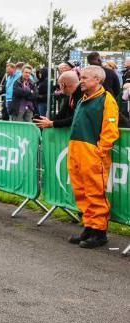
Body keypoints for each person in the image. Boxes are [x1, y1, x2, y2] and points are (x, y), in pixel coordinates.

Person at [66, 65, 118, 249]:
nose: (81, 81)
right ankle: (88, 227)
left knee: (95, 192)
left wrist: (100, 152)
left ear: (97, 79)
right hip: (76, 151)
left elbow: (110, 131)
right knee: (81, 191)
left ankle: (99, 232)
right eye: (81, 77)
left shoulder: (106, 100)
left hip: (92, 154)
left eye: (85, 78)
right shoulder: (82, 100)